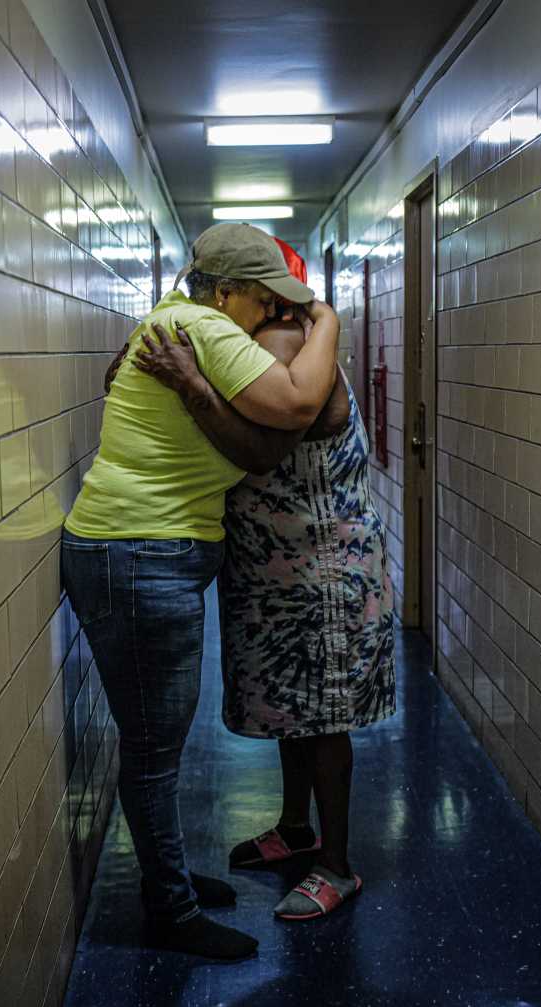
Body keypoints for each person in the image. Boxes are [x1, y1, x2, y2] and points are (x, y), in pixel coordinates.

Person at [61, 222, 340, 960]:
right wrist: (327, 322)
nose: (272, 313)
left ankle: (171, 882)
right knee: (154, 751)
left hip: (138, 553)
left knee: (158, 745)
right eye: (264, 299)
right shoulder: (209, 330)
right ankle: (171, 912)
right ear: (226, 293)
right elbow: (296, 404)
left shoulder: (177, 318)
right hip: (138, 554)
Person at [132, 241, 395, 921]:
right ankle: (296, 828)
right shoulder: (250, 339)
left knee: (324, 714)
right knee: (295, 707)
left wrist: (192, 385)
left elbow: (263, 447)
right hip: (282, 572)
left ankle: (336, 865)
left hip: (322, 568)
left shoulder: (284, 341)